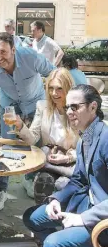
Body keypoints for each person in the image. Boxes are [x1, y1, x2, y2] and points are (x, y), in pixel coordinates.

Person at [23, 84, 108, 247]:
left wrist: (83, 218)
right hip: (84, 207)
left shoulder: (105, 139)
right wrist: (55, 199)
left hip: (102, 223)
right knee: (32, 217)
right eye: (67, 107)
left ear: (93, 107)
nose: (69, 112)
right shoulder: (84, 138)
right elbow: (79, 180)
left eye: (75, 107)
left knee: (54, 244)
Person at [0, 32, 55, 211]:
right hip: (9, 107)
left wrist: (54, 102)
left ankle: (29, 180)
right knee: (6, 146)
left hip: (35, 104)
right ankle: (1, 189)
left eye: (3, 52)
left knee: (34, 146)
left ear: (13, 49)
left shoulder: (30, 56)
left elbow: (53, 74)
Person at [11, 68, 79, 202]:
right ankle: (42, 216)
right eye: (50, 88)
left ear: (69, 88)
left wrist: (67, 158)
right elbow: (32, 139)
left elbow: (86, 146)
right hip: (49, 161)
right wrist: (20, 126)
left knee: (63, 185)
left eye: (59, 88)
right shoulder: (42, 106)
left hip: (71, 162)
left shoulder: (78, 110)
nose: (54, 93)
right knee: (43, 184)